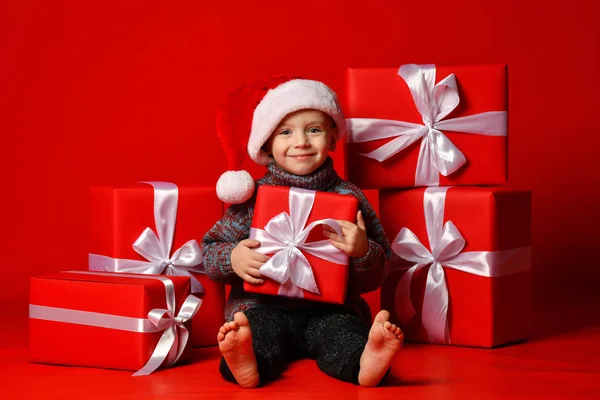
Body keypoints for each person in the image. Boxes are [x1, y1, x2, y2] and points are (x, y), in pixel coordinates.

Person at [202, 75, 403, 388]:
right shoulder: (252, 196)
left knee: (344, 333)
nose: (301, 142)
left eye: (314, 130)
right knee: (258, 331)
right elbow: (210, 251)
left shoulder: (350, 197)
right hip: (264, 308)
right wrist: (234, 258)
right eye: (285, 132)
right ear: (267, 143)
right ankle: (245, 360)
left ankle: (365, 362)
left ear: (333, 137)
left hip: (330, 311)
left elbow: (380, 271)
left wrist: (363, 251)